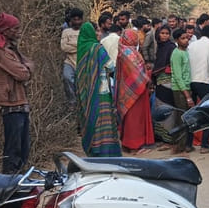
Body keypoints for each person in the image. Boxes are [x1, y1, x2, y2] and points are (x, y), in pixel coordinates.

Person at [0, 12, 36, 174]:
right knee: (13, 148)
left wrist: (25, 68)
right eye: (15, 29)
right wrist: (26, 69)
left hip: (20, 103)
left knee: (23, 147)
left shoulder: (12, 50)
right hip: (10, 103)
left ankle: (18, 178)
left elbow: (29, 66)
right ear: (5, 31)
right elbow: (22, 73)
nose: (18, 32)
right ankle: (9, 179)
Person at [75, 22, 121, 157]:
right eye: (97, 31)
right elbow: (110, 66)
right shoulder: (97, 48)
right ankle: (105, 150)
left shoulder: (81, 49)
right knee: (104, 120)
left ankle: (93, 148)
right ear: (92, 33)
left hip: (86, 93)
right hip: (101, 91)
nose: (99, 34)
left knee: (91, 118)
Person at [115, 29, 154, 154]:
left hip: (126, 90)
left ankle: (127, 144)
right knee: (135, 118)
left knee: (128, 117)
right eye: (135, 37)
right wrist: (148, 76)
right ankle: (134, 145)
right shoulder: (130, 53)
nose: (137, 39)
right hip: (137, 90)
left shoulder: (122, 50)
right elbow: (137, 73)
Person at [187, 25, 209, 153]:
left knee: (190, 113)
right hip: (204, 81)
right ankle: (204, 145)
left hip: (190, 81)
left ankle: (188, 144)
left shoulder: (192, 45)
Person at [170, 28, 195, 154]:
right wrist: (187, 96)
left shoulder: (185, 52)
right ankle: (179, 146)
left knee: (186, 117)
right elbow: (178, 76)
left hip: (187, 87)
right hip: (180, 89)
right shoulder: (176, 54)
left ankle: (184, 144)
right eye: (183, 38)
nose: (186, 40)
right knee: (182, 118)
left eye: (187, 38)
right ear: (177, 40)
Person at [61, 8, 83, 111]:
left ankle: (82, 102)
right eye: (75, 19)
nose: (77, 22)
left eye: (79, 19)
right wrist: (79, 46)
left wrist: (72, 45)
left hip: (82, 61)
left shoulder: (84, 31)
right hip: (69, 62)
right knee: (67, 78)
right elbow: (64, 47)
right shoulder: (66, 32)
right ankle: (72, 102)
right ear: (71, 20)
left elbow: (86, 46)